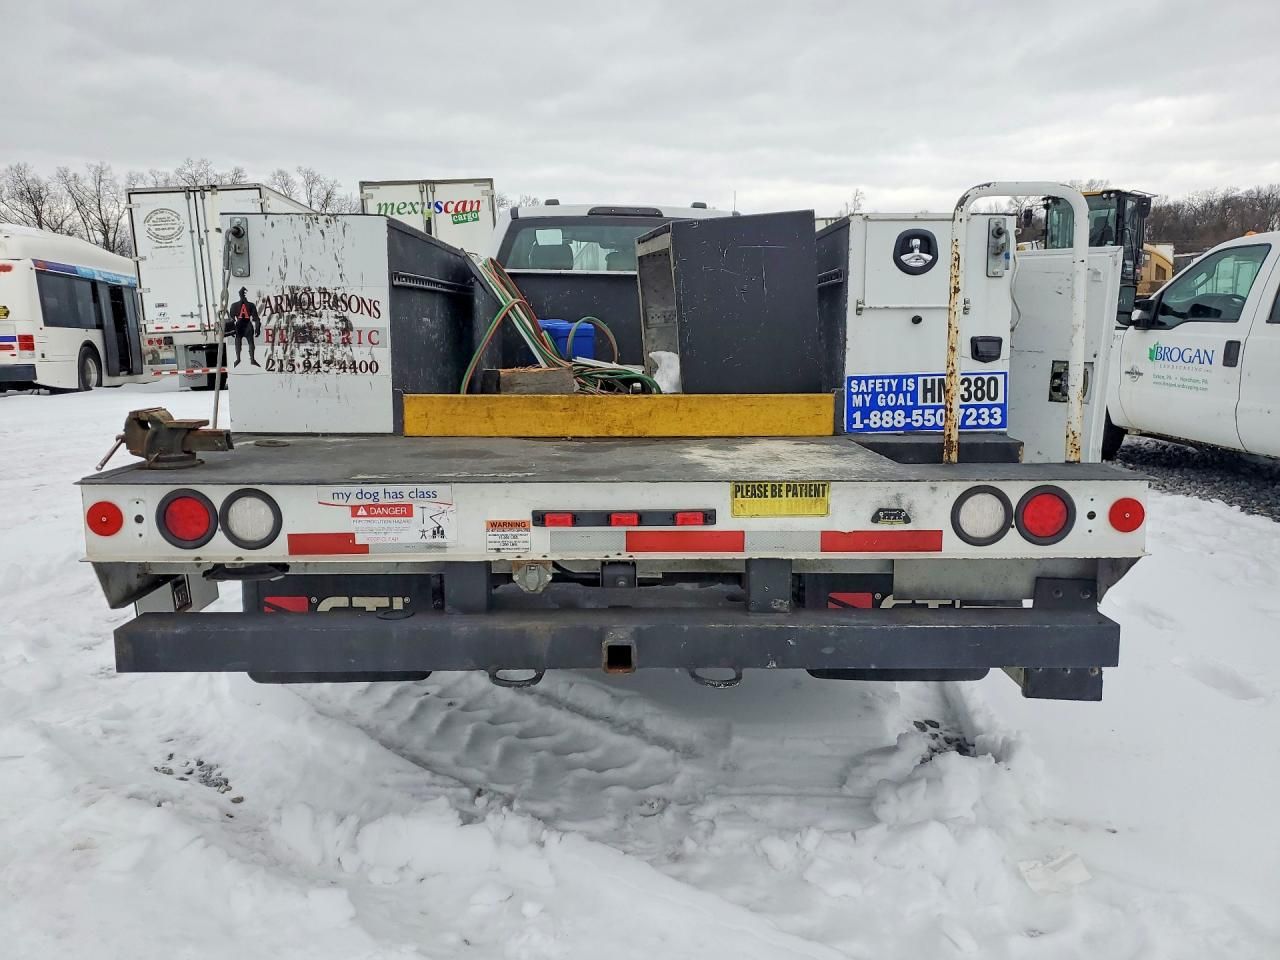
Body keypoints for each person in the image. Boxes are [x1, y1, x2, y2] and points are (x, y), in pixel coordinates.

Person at [226, 288, 261, 367]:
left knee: (242, 342)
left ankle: (243, 359)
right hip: (246, 325)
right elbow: (256, 318)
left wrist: (231, 330)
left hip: (241, 325)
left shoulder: (234, 305)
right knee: (246, 343)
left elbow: (231, 319)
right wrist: (257, 328)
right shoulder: (251, 305)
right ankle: (247, 359)